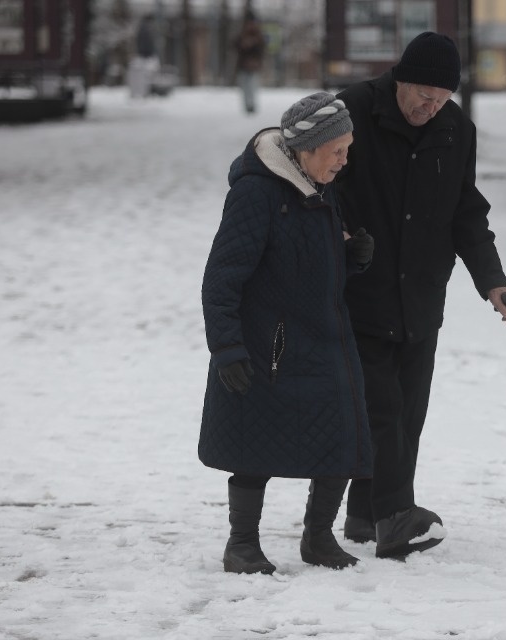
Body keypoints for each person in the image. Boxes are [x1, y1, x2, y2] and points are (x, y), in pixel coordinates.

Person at [333, 32, 506, 560]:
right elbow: (320, 187)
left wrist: (493, 281)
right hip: (361, 289)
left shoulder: (456, 129)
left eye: (440, 99)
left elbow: (466, 212)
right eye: (421, 94)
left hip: (420, 295)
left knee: (409, 411)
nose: (429, 107)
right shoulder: (353, 111)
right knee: (382, 407)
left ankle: (366, 513)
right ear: (401, 79)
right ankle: (396, 517)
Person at [199, 92, 375, 575]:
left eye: (348, 148)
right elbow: (222, 278)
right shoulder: (257, 194)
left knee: (344, 435)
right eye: (337, 149)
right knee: (255, 445)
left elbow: (311, 267)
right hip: (267, 344)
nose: (344, 160)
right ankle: (242, 545)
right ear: (306, 147)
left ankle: (318, 539)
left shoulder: (320, 188)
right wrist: (227, 347)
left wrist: (349, 259)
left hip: (324, 338)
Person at [233, 11, 266, 114]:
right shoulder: (242, 34)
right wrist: (244, 44)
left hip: (254, 66)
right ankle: (247, 106)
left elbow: (262, 49)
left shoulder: (258, 35)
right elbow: (235, 46)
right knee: (244, 87)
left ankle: (252, 106)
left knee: (252, 86)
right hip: (243, 66)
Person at [128, 15, 159, 98]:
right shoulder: (146, 29)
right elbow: (146, 43)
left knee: (144, 75)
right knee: (145, 75)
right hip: (145, 56)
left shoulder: (142, 28)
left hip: (144, 55)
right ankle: (144, 92)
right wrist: (147, 53)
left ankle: (142, 92)